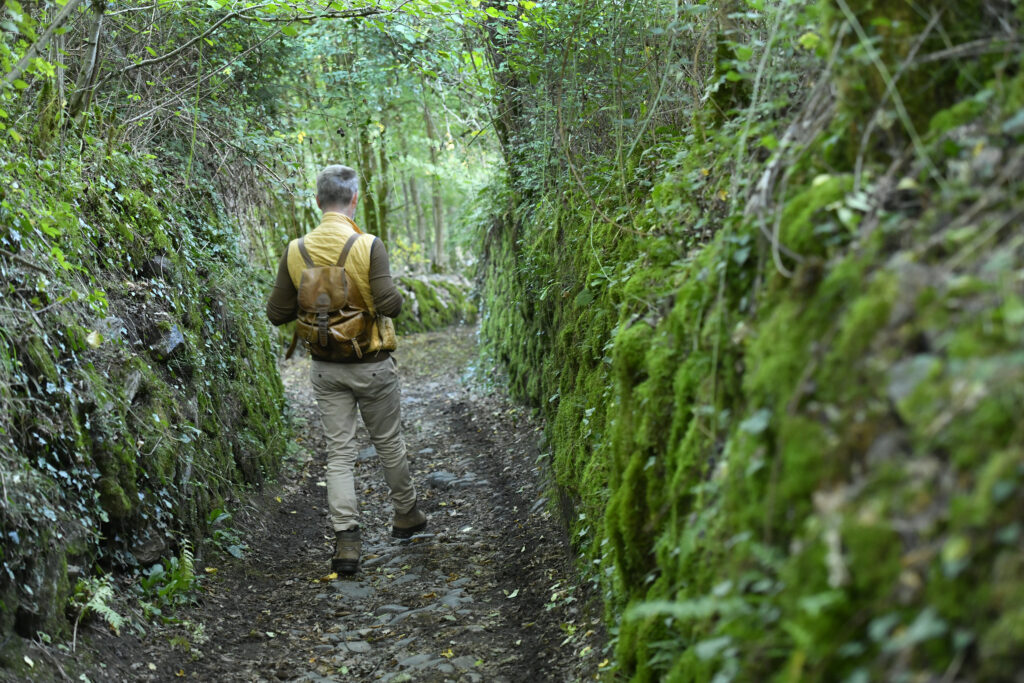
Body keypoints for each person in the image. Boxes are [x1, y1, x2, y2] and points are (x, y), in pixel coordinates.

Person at [265, 164, 427, 574]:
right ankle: (405, 515)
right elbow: (389, 304)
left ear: (318, 201)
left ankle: (347, 543)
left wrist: (314, 300)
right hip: (371, 365)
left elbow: (276, 313)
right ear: (354, 199)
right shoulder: (368, 245)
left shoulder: (295, 249)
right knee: (388, 442)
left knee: (339, 454)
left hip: (325, 370)